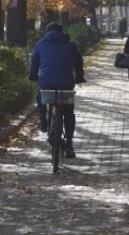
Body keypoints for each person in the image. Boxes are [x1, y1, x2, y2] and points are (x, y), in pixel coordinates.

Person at [29, 23, 86, 158]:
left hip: (46, 83)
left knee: (40, 97)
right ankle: (69, 144)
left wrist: (32, 75)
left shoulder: (40, 44)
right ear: (62, 32)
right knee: (69, 112)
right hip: (66, 83)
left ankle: (43, 122)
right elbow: (78, 62)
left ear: (47, 32)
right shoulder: (70, 45)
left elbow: (34, 62)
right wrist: (79, 76)